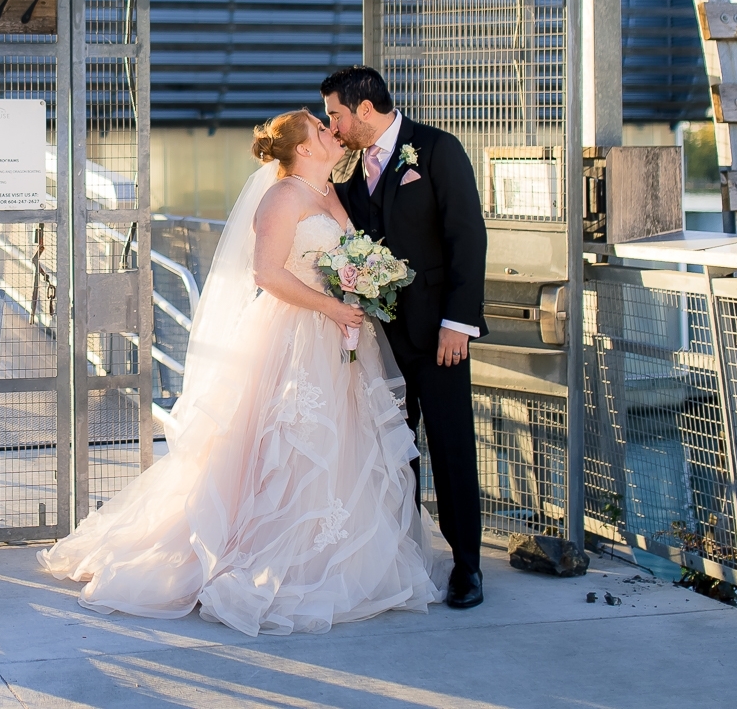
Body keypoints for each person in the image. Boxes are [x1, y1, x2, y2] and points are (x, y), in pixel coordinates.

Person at [39, 108, 440, 636]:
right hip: (294, 335)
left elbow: (342, 259)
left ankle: (329, 555)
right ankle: (261, 553)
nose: (331, 131)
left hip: (339, 336)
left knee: (340, 445)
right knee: (283, 446)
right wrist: (331, 307)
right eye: (321, 129)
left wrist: (359, 286)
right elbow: (266, 273)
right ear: (302, 148)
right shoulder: (283, 196)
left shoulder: (330, 194)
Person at [321, 65, 488, 610]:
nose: (334, 126)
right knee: (394, 451)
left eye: (337, 114)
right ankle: (406, 556)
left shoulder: (437, 150)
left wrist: (458, 323)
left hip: (438, 334)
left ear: (365, 108)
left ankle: (468, 567)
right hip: (377, 339)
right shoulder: (344, 163)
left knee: (451, 446)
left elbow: (467, 237)